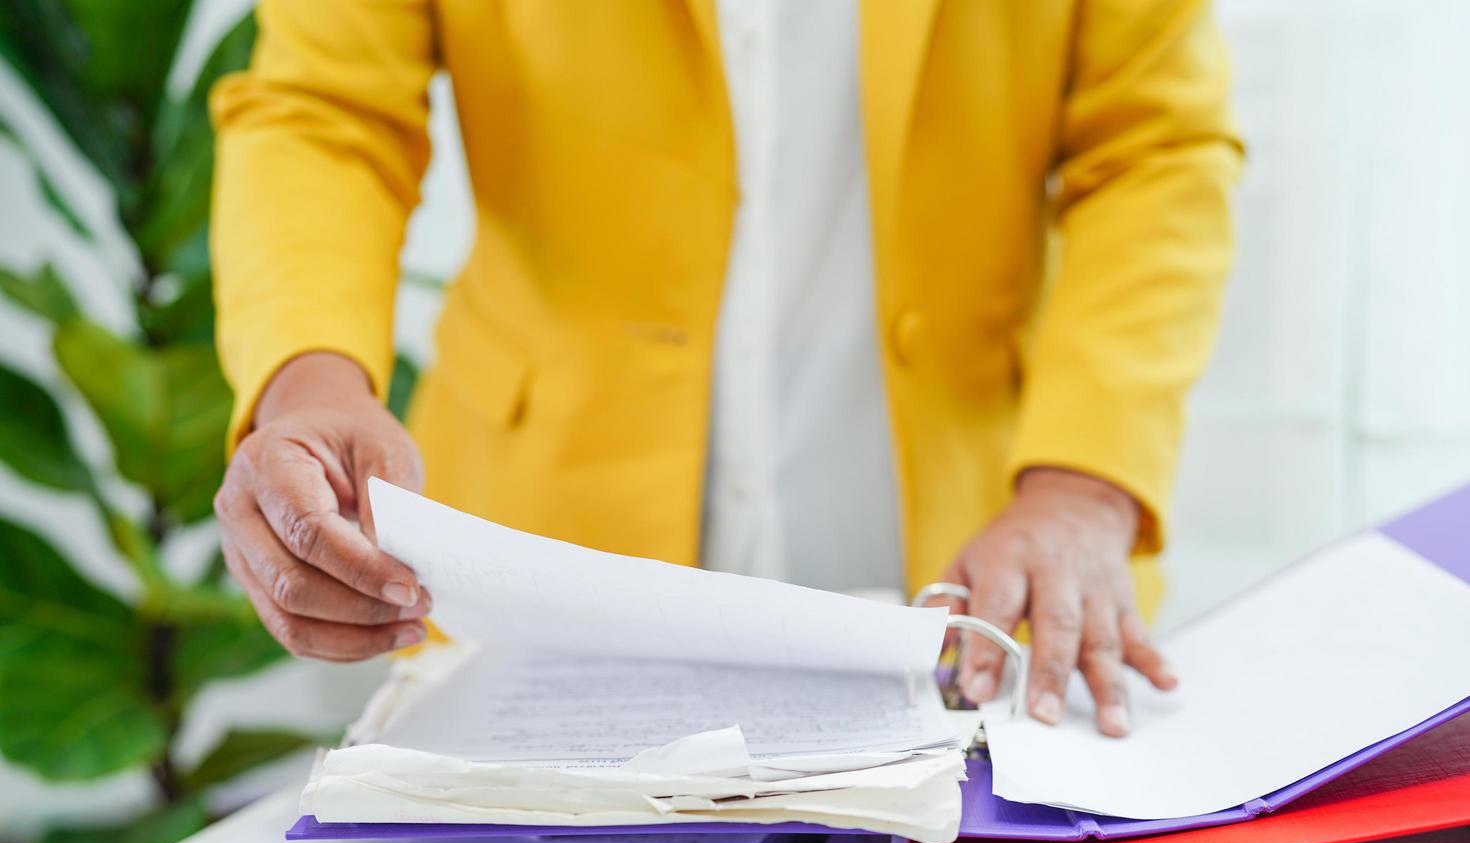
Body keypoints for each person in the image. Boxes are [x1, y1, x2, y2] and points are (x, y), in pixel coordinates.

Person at [209, 0, 1241, 737]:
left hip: (975, 579)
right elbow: (322, 113)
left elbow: (1153, 148)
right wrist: (310, 378)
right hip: (544, 567)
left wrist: (1083, 480)